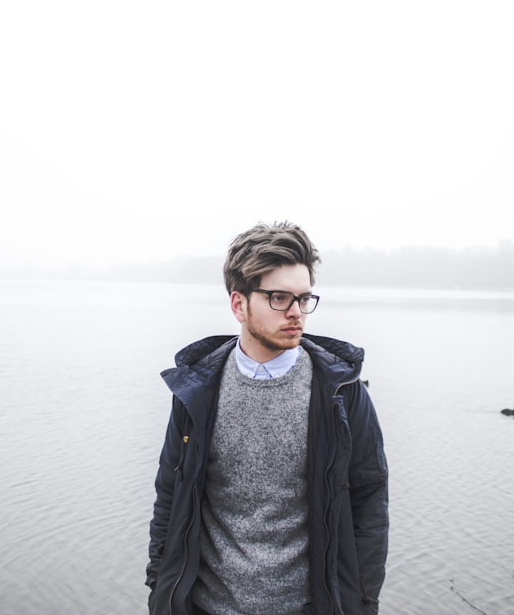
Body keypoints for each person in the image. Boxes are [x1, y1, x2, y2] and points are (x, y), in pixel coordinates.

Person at [146, 221, 389, 615]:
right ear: (239, 304)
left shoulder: (341, 393)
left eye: (304, 298)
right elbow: (169, 497)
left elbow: (369, 506)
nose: (296, 312)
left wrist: (362, 603)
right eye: (279, 298)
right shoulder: (197, 390)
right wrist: (160, 588)